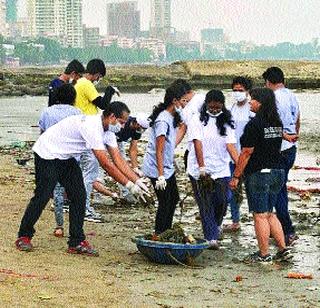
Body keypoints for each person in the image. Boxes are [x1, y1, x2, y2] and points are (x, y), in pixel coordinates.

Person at [15, 105, 150, 256]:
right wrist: (130, 186)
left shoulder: (109, 132)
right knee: (43, 195)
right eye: (121, 122)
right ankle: (24, 236)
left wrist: (137, 181)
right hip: (47, 153)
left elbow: (119, 160)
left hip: (66, 157)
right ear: (111, 117)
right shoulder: (92, 126)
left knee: (79, 196)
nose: (123, 126)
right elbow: (106, 164)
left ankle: (76, 241)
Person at [229, 87, 295, 263]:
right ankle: (283, 250)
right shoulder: (276, 123)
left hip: (260, 173)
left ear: (261, 102)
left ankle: (264, 254)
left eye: (253, 99)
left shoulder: (254, 124)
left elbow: (246, 152)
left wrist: (236, 175)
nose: (250, 102)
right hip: (277, 172)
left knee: (259, 215)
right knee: (270, 213)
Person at [187, 90, 238, 249]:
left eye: (218, 107)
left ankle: (215, 225)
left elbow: (230, 145)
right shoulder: (197, 119)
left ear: (222, 105)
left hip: (221, 168)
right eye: (212, 107)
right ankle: (211, 238)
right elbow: (197, 143)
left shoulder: (227, 121)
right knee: (205, 203)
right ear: (206, 105)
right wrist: (202, 167)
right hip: (199, 169)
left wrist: (241, 166)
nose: (215, 110)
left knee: (223, 200)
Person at [74, 59, 120, 221]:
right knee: (90, 173)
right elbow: (103, 105)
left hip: (82, 130)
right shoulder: (85, 83)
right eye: (99, 77)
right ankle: (84, 209)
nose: (97, 80)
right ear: (96, 73)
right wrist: (109, 91)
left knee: (81, 173)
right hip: (89, 132)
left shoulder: (79, 84)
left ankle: (78, 206)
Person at [142, 84, 190, 235]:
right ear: (174, 100)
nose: (184, 104)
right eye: (183, 101)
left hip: (166, 166)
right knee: (165, 202)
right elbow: (159, 149)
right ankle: (159, 232)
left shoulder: (172, 116)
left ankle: (166, 230)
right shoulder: (162, 120)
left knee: (174, 198)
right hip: (157, 168)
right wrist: (160, 175)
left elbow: (180, 130)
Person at [262, 67, 300, 246]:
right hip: (291, 147)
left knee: (277, 190)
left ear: (269, 82)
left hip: (279, 148)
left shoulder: (272, 98)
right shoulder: (292, 95)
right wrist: (294, 138)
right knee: (280, 187)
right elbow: (297, 119)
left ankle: (287, 229)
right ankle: (279, 227)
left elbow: (272, 125)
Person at [39, 84, 81, 237]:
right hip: (71, 157)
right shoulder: (77, 112)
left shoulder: (47, 112)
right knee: (75, 194)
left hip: (52, 156)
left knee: (57, 193)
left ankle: (59, 226)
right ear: (73, 98)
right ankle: (75, 230)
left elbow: (42, 134)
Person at [223, 76, 254, 232]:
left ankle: (262, 221)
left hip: (249, 156)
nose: (237, 93)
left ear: (247, 92)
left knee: (252, 189)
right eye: (234, 90)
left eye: (240, 90)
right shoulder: (231, 109)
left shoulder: (252, 109)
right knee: (233, 189)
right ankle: (235, 220)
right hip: (232, 156)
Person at [115, 112, 150, 203]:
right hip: (107, 137)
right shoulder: (123, 123)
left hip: (118, 142)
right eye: (141, 128)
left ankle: (127, 195)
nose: (141, 131)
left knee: (122, 167)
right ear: (136, 123)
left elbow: (133, 149)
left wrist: (135, 168)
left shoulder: (137, 131)